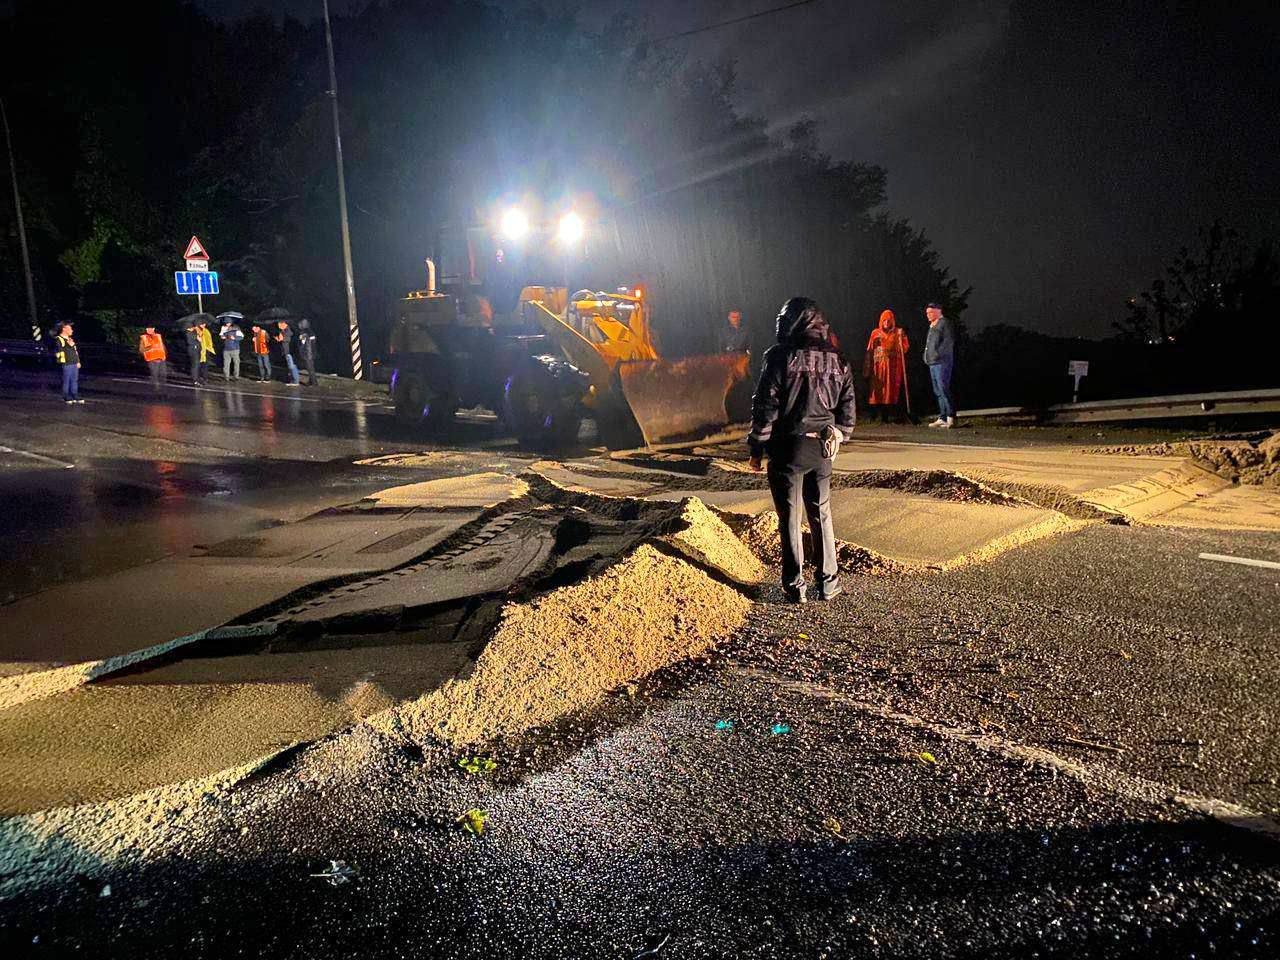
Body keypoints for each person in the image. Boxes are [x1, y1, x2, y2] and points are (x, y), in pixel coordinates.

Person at [747, 297, 856, 604]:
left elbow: (765, 405)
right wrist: (840, 435)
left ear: (791, 322)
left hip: (787, 448)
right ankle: (829, 583)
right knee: (822, 514)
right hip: (823, 448)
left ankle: (795, 587)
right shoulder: (839, 358)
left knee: (790, 518)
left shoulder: (780, 356)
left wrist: (756, 446)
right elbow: (848, 410)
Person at [863, 309, 910, 423]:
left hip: (892, 367)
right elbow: (869, 350)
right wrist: (867, 366)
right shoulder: (875, 333)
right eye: (884, 320)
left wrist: (901, 338)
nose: (886, 323)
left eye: (889, 320)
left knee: (890, 390)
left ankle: (887, 416)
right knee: (877, 391)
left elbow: (905, 348)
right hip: (878, 366)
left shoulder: (898, 332)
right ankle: (873, 415)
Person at [922, 301, 956, 428]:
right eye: (927, 313)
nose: (928, 315)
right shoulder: (932, 325)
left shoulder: (944, 323)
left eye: (930, 312)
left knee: (943, 387)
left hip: (942, 362)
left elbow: (948, 342)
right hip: (932, 362)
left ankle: (951, 416)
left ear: (938, 311)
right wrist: (926, 356)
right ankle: (942, 416)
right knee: (937, 390)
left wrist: (938, 354)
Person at [53, 323, 83, 404]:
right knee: (66, 380)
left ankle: (74, 395)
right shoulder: (59, 339)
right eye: (70, 329)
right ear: (64, 329)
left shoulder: (70, 339)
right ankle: (66, 396)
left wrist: (78, 361)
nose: (72, 331)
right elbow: (60, 349)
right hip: (66, 363)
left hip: (74, 362)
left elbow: (75, 351)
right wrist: (69, 345)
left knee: (74, 380)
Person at [138, 325, 167, 392]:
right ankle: (156, 390)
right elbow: (141, 350)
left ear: (154, 329)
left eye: (151, 328)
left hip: (161, 359)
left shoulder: (158, 336)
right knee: (155, 375)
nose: (149, 330)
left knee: (163, 375)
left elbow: (163, 346)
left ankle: (163, 389)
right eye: (148, 329)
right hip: (152, 360)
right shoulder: (144, 338)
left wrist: (164, 354)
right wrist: (149, 347)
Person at [273, 320, 300, 386]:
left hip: (289, 351)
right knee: (289, 366)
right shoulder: (283, 331)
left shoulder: (288, 331)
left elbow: (289, 339)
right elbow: (283, 340)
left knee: (292, 366)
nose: (279, 327)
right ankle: (292, 380)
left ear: (284, 324)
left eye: (279, 325)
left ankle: (295, 381)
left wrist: (282, 339)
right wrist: (279, 339)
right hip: (285, 351)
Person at [296, 318, 319, 386]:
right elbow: (313, 343)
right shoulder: (311, 332)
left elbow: (302, 343)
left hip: (307, 353)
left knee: (310, 368)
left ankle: (314, 383)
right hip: (312, 352)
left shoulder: (303, 334)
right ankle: (311, 381)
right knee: (311, 368)